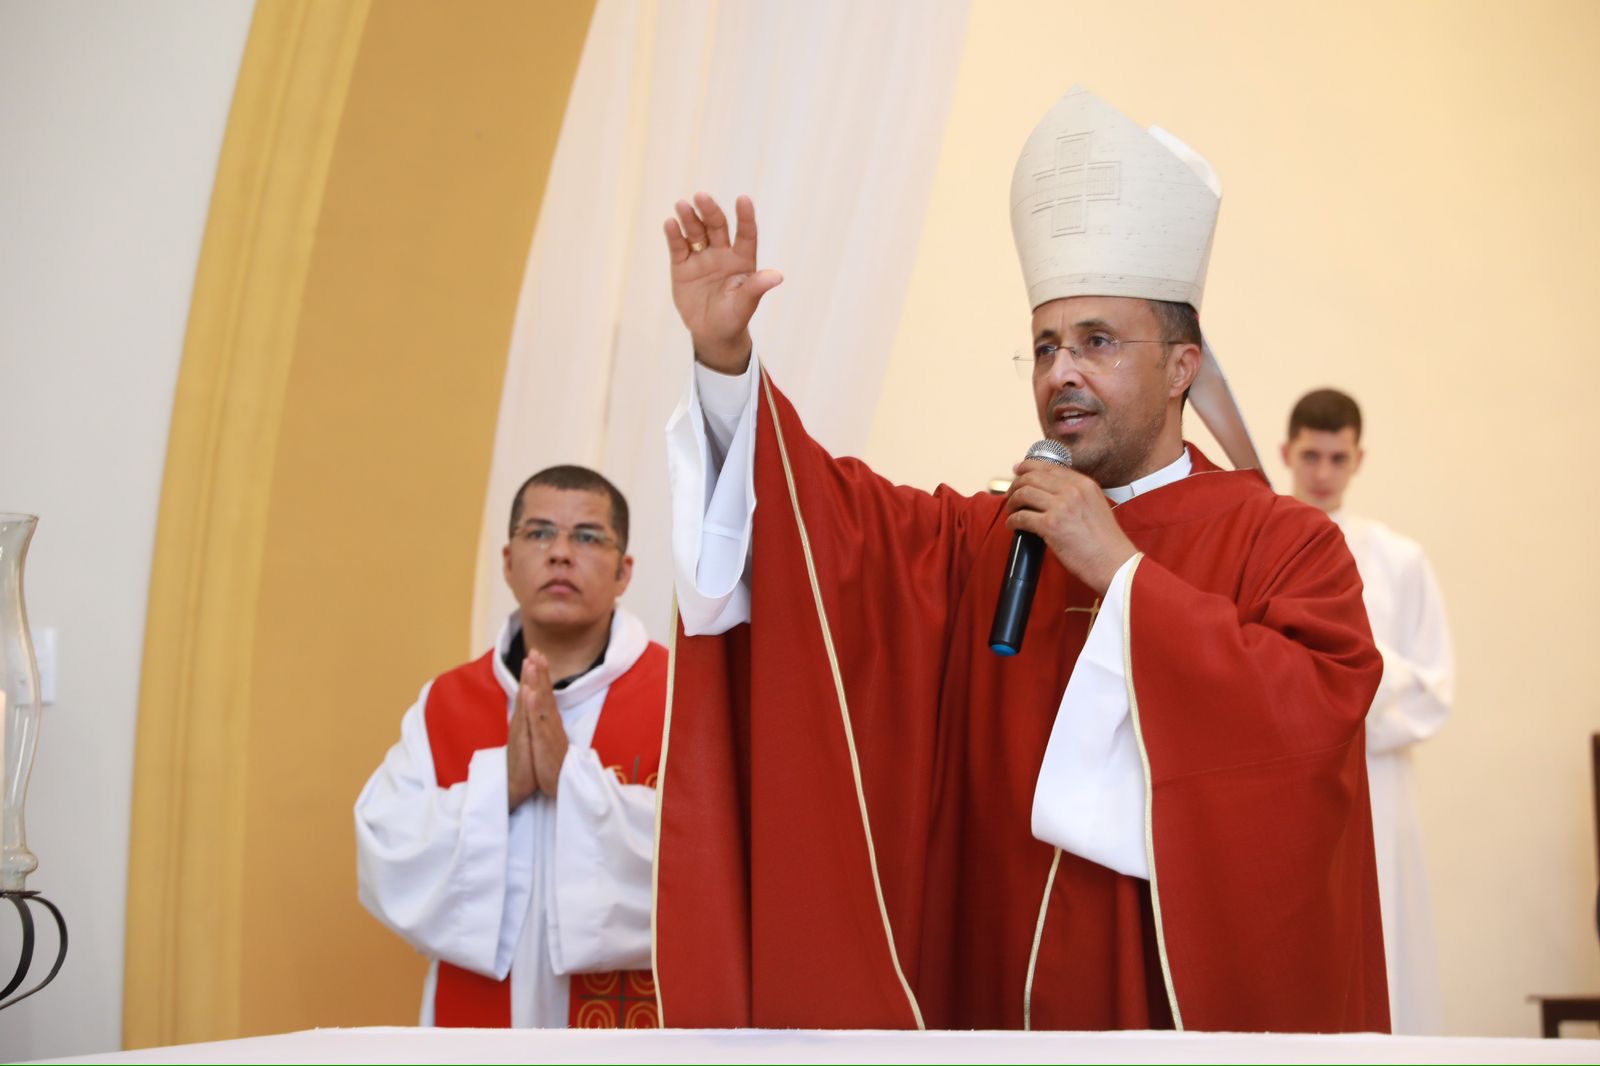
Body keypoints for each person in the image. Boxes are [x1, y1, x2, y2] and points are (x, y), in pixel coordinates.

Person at [652, 87, 1388, 1033]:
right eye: (1044, 347)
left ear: (1181, 367)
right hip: (992, 987)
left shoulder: (1284, 543)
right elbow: (820, 528)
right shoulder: (987, 538)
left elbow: (1314, 723)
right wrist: (726, 362)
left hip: (1169, 1016)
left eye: (1097, 342)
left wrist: (1123, 574)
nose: (1061, 372)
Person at [355, 466, 664, 1028]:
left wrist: (570, 782)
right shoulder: (446, 703)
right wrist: (504, 785)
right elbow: (386, 853)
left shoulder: (681, 699)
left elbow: (719, 863)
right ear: (507, 562)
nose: (560, 553)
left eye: (587, 536)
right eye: (539, 533)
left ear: (623, 572)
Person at [1283, 388, 1453, 1035]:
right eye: (1311, 456)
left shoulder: (1398, 560)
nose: (1323, 473)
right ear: (1287, 453)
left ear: (1359, 459)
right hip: (1289, 777)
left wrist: (1356, 685)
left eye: (1337, 458)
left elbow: (1433, 689)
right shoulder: (1264, 541)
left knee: (1382, 936)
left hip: (1376, 780)